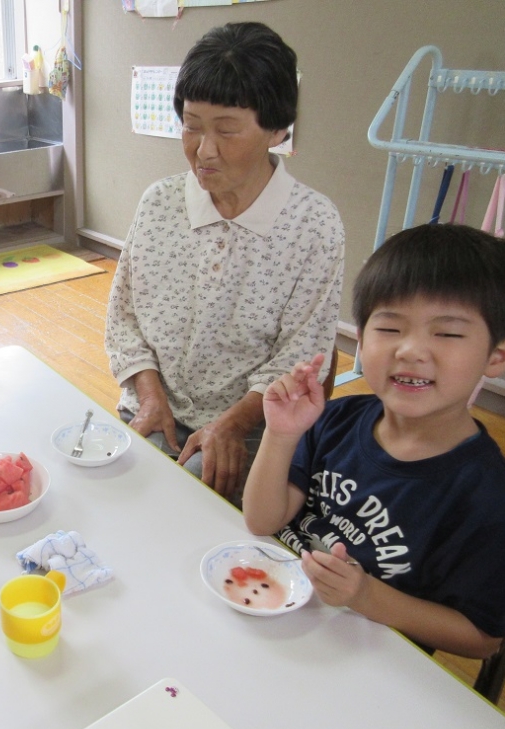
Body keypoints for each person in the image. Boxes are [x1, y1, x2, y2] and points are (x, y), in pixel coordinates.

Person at [105, 21, 344, 501]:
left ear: (277, 129)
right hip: (155, 410)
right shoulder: (160, 202)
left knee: (186, 505)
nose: (203, 150)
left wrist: (231, 425)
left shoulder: (313, 224)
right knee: (119, 495)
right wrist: (150, 398)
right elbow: (123, 315)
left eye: (227, 130)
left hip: (251, 428)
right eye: (191, 125)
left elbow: (302, 356)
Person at [242, 224, 505, 658]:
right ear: (361, 340)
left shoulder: (486, 496)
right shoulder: (337, 419)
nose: (411, 350)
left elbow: (482, 639)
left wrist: (366, 596)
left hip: (364, 658)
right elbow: (261, 520)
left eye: (448, 334)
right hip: (275, 610)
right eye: (390, 328)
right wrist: (282, 434)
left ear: (496, 356)